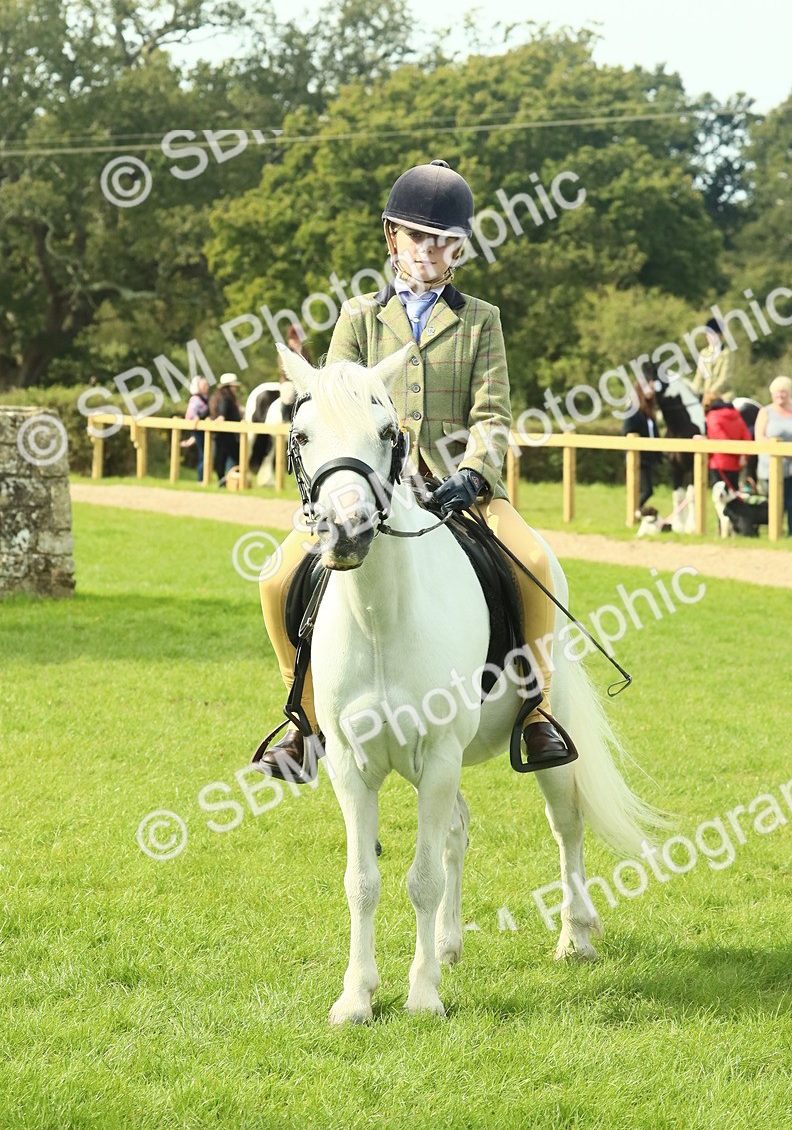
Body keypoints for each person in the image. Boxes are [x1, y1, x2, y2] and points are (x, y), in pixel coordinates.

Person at [256, 159, 575, 780]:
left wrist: (475, 474)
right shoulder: (358, 317)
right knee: (274, 581)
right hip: (367, 488)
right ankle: (304, 716)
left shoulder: (482, 320)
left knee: (533, 563)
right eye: (417, 235)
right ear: (391, 238)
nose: (429, 249)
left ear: (459, 248)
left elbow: (495, 415)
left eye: (444, 239)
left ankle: (536, 711)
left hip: (462, 489)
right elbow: (332, 397)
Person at [754, 376, 792, 538]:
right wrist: (781, 450)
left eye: (784, 392)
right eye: (777, 392)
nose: (780, 395)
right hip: (771, 467)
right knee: (776, 503)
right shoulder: (766, 412)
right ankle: (775, 534)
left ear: (790, 393)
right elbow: (759, 437)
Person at [622, 380, 661, 509]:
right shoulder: (633, 410)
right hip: (638, 457)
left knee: (644, 489)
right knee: (646, 490)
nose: (651, 390)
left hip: (647, 458)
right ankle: (633, 512)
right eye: (647, 388)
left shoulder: (648, 411)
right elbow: (627, 432)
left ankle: (635, 512)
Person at [702, 391, 751, 493]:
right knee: (734, 495)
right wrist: (743, 455)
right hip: (736, 463)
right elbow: (746, 436)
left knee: (721, 498)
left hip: (718, 463)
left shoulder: (712, 416)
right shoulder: (736, 415)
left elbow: (720, 439)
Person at [692, 317, 734, 401]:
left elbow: (724, 378)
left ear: (720, 335)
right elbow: (698, 377)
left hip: (722, 396)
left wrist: (710, 393)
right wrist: (692, 392)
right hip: (704, 397)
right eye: (708, 334)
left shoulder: (727, 353)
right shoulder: (703, 353)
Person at [211, 372, 242, 482]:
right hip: (226, 434)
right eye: (233, 386)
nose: (235, 388)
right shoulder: (226, 397)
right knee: (237, 457)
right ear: (228, 386)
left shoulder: (218, 397)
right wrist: (222, 416)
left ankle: (223, 480)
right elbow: (222, 412)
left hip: (222, 434)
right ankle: (229, 480)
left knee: (221, 458)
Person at [182, 377, 210, 481]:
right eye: (203, 385)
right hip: (198, 430)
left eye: (207, 385)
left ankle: (203, 478)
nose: (206, 387)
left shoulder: (206, 398)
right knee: (203, 454)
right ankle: (201, 478)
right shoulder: (195, 399)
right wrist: (197, 418)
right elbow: (190, 416)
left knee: (205, 454)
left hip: (204, 429)